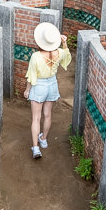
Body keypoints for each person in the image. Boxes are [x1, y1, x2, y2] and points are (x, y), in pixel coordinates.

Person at [24, 22, 71, 159]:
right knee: (48, 115)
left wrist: (28, 90)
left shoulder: (36, 56)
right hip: (52, 85)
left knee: (36, 118)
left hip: (39, 86)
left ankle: (36, 148)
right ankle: (43, 139)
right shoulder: (60, 52)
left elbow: (31, 76)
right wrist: (64, 43)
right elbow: (67, 58)